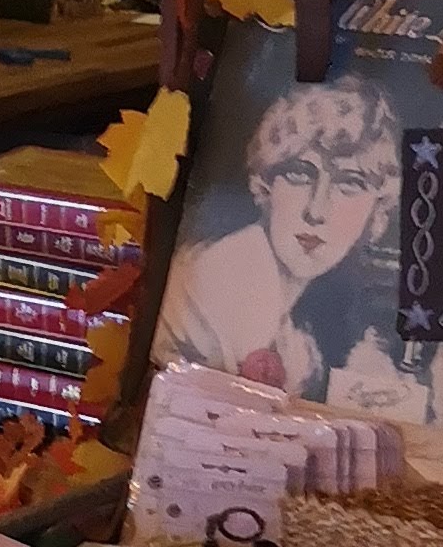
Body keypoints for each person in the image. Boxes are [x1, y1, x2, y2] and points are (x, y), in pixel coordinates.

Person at [160, 77, 404, 400]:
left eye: (349, 184)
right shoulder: (222, 277)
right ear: (266, 183)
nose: (316, 211)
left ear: (377, 209)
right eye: (299, 174)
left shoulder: (292, 318)